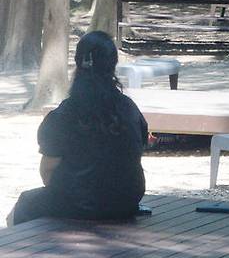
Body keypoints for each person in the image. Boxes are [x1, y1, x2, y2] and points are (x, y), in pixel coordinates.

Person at [7, 31, 148, 228]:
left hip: (77, 203)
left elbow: (47, 170)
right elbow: (137, 151)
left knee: (24, 205)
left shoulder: (65, 114)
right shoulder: (129, 108)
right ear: (113, 63)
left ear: (77, 62)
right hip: (126, 201)